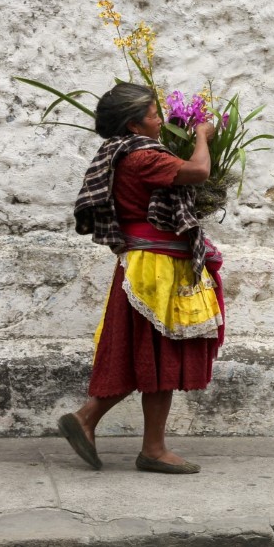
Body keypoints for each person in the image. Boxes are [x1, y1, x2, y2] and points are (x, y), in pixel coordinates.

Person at [57, 82, 222, 474]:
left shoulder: (120, 153)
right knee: (157, 353)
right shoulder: (142, 158)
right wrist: (202, 136)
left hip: (147, 263)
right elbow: (198, 171)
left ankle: (112, 429)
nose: (160, 120)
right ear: (133, 125)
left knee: (148, 353)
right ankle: (143, 444)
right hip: (155, 269)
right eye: (153, 114)